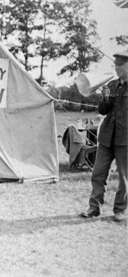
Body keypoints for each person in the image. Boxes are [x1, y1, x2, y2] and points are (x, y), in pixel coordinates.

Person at [80, 50, 128, 222]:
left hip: (125, 139)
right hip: (106, 137)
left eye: (120, 65)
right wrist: (105, 97)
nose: (117, 68)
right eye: (115, 65)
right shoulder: (111, 85)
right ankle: (94, 208)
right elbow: (102, 110)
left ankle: (120, 210)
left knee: (124, 178)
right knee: (98, 173)